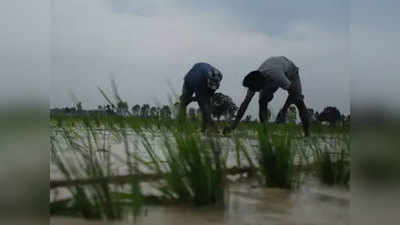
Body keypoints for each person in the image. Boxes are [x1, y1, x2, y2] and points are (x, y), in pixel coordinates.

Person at [224, 56, 310, 136]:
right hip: (272, 71)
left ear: (261, 84)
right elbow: (245, 104)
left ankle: (307, 134)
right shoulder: (254, 82)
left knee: (299, 101)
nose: (254, 91)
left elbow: (293, 92)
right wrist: (233, 126)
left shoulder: (276, 76)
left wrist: (284, 111)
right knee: (262, 101)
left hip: (291, 73)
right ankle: (265, 133)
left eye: (255, 89)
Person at [179, 62, 223, 132]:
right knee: (183, 103)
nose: (213, 87)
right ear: (208, 80)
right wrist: (189, 98)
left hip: (201, 74)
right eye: (211, 84)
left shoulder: (219, 75)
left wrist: (206, 98)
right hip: (190, 82)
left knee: (206, 106)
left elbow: (210, 94)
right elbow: (200, 99)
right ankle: (180, 127)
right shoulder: (198, 81)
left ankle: (204, 129)